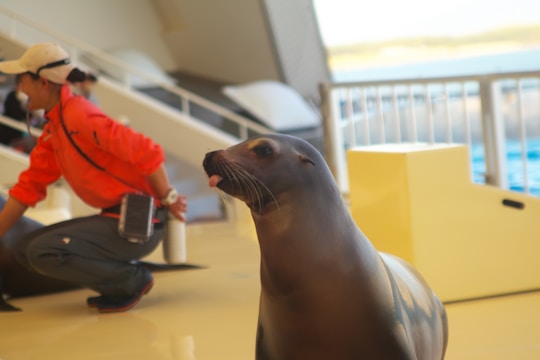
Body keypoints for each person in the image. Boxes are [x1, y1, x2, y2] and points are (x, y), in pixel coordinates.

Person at [0, 42, 187, 313]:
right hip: (114, 218)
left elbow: (147, 151)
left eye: (22, 80)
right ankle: (119, 283)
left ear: (42, 82)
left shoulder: (79, 115)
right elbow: (27, 189)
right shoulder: (56, 126)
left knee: (42, 250)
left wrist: (168, 198)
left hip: (136, 223)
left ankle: (130, 281)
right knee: (24, 249)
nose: (20, 89)